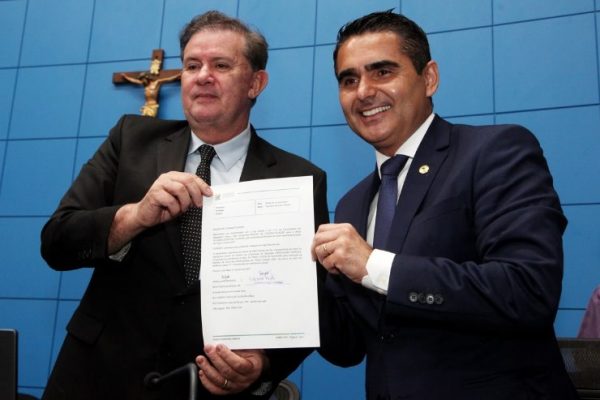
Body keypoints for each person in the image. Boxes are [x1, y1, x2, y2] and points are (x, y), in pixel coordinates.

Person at [40, 11, 328, 400]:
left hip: (206, 388)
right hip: (96, 378)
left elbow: (307, 303)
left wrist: (262, 365)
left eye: (221, 65)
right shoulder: (130, 140)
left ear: (255, 83)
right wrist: (134, 217)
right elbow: (57, 242)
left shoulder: (298, 179)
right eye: (192, 65)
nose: (202, 76)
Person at [312, 10, 578, 400]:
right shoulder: (353, 202)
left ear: (429, 78)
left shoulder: (495, 151)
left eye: (382, 72)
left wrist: (373, 265)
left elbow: (527, 291)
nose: (364, 91)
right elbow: (348, 348)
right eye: (348, 80)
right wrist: (295, 282)